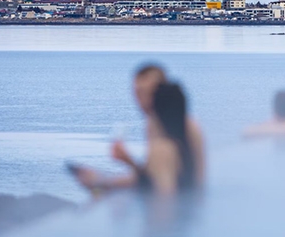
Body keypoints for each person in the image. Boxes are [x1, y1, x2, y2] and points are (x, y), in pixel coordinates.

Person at [73, 65, 205, 196]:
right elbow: (154, 176)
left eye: (149, 93)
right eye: (138, 93)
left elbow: (171, 189)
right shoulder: (153, 124)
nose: (143, 101)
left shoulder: (186, 127)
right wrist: (104, 180)